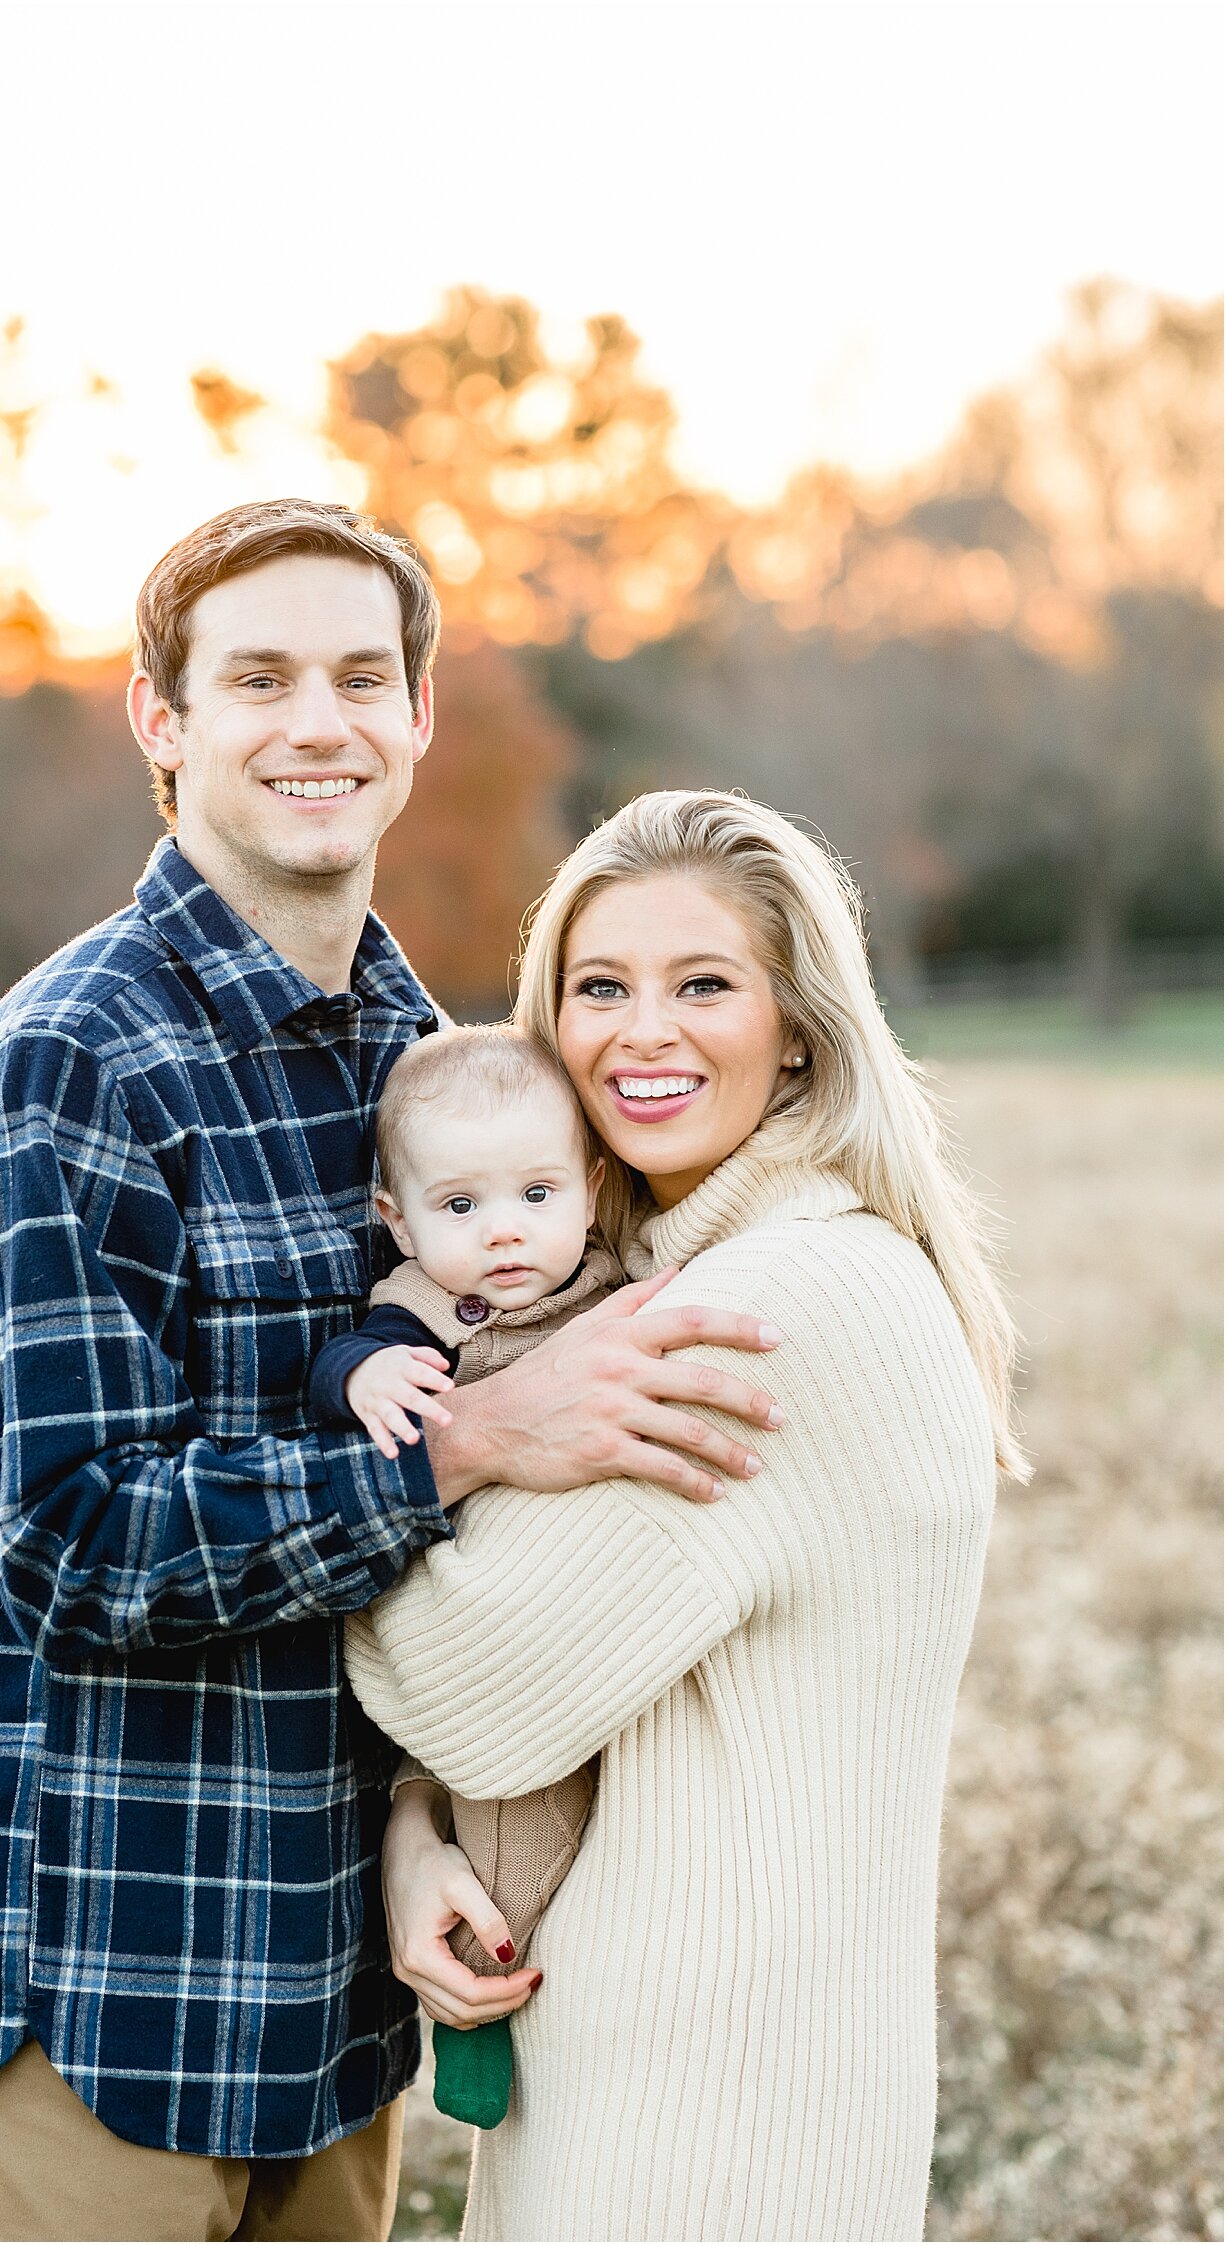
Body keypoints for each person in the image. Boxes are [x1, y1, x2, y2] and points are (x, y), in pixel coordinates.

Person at [0, 503, 786, 2245]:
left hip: (335, 1993)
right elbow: (75, 1543)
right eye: (259, 677)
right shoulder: (69, 1069)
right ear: (164, 718)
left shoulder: (426, 1064)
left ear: (420, 716)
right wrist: (467, 1443)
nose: (320, 723)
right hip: (94, 1995)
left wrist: (424, 1827)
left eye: (365, 676)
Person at [348, 788, 1030, 2242]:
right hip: (672, 2086)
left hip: (705, 2129)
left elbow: (467, 1689)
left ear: (798, 1026)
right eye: (599, 987)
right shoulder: (714, 1269)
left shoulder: (770, 1305)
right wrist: (416, 1841)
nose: (640, 1033)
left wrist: (437, 1448)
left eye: (703, 984)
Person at [309, 1024, 618, 2126]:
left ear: (589, 1184)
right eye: (460, 1208)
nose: (505, 1236)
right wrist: (363, 1374)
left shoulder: (611, 1279)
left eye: (537, 1194)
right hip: (471, 1625)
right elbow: (344, 1367)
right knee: (498, 1841)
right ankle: (478, 2029)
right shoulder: (417, 1313)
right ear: (396, 1217)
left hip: (594, 1613)